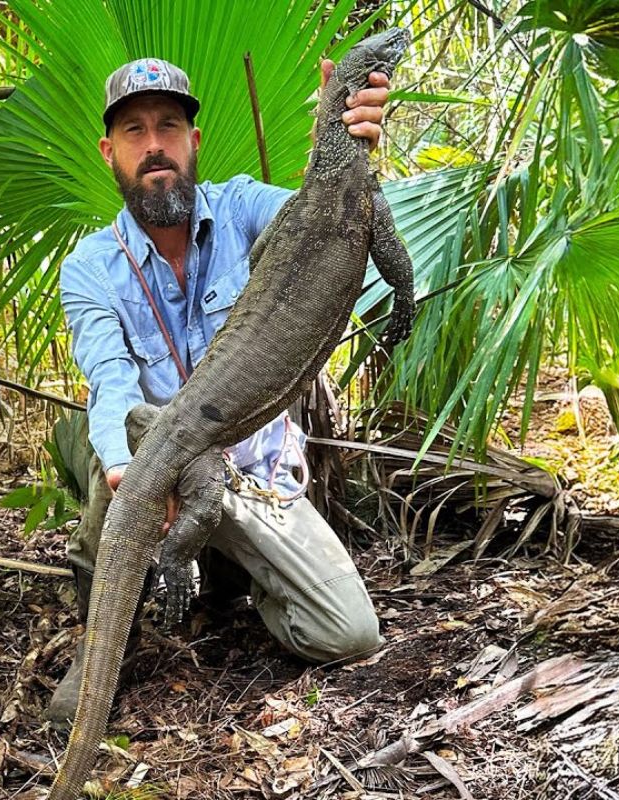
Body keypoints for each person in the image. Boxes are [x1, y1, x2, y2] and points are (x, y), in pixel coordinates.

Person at [47, 54, 393, 727]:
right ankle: (102, 638)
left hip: (250, 474)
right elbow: (110, 379)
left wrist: (339, 147)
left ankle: (234, 575)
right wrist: (129, 471)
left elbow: (318, 225)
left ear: (193, 140)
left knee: (349, 635)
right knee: (118, 439)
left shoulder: (244, 207)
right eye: (135, 132)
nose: (154, 147)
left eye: (169, 127)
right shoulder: (91, 266)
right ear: (108, 152)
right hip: (156, 466)